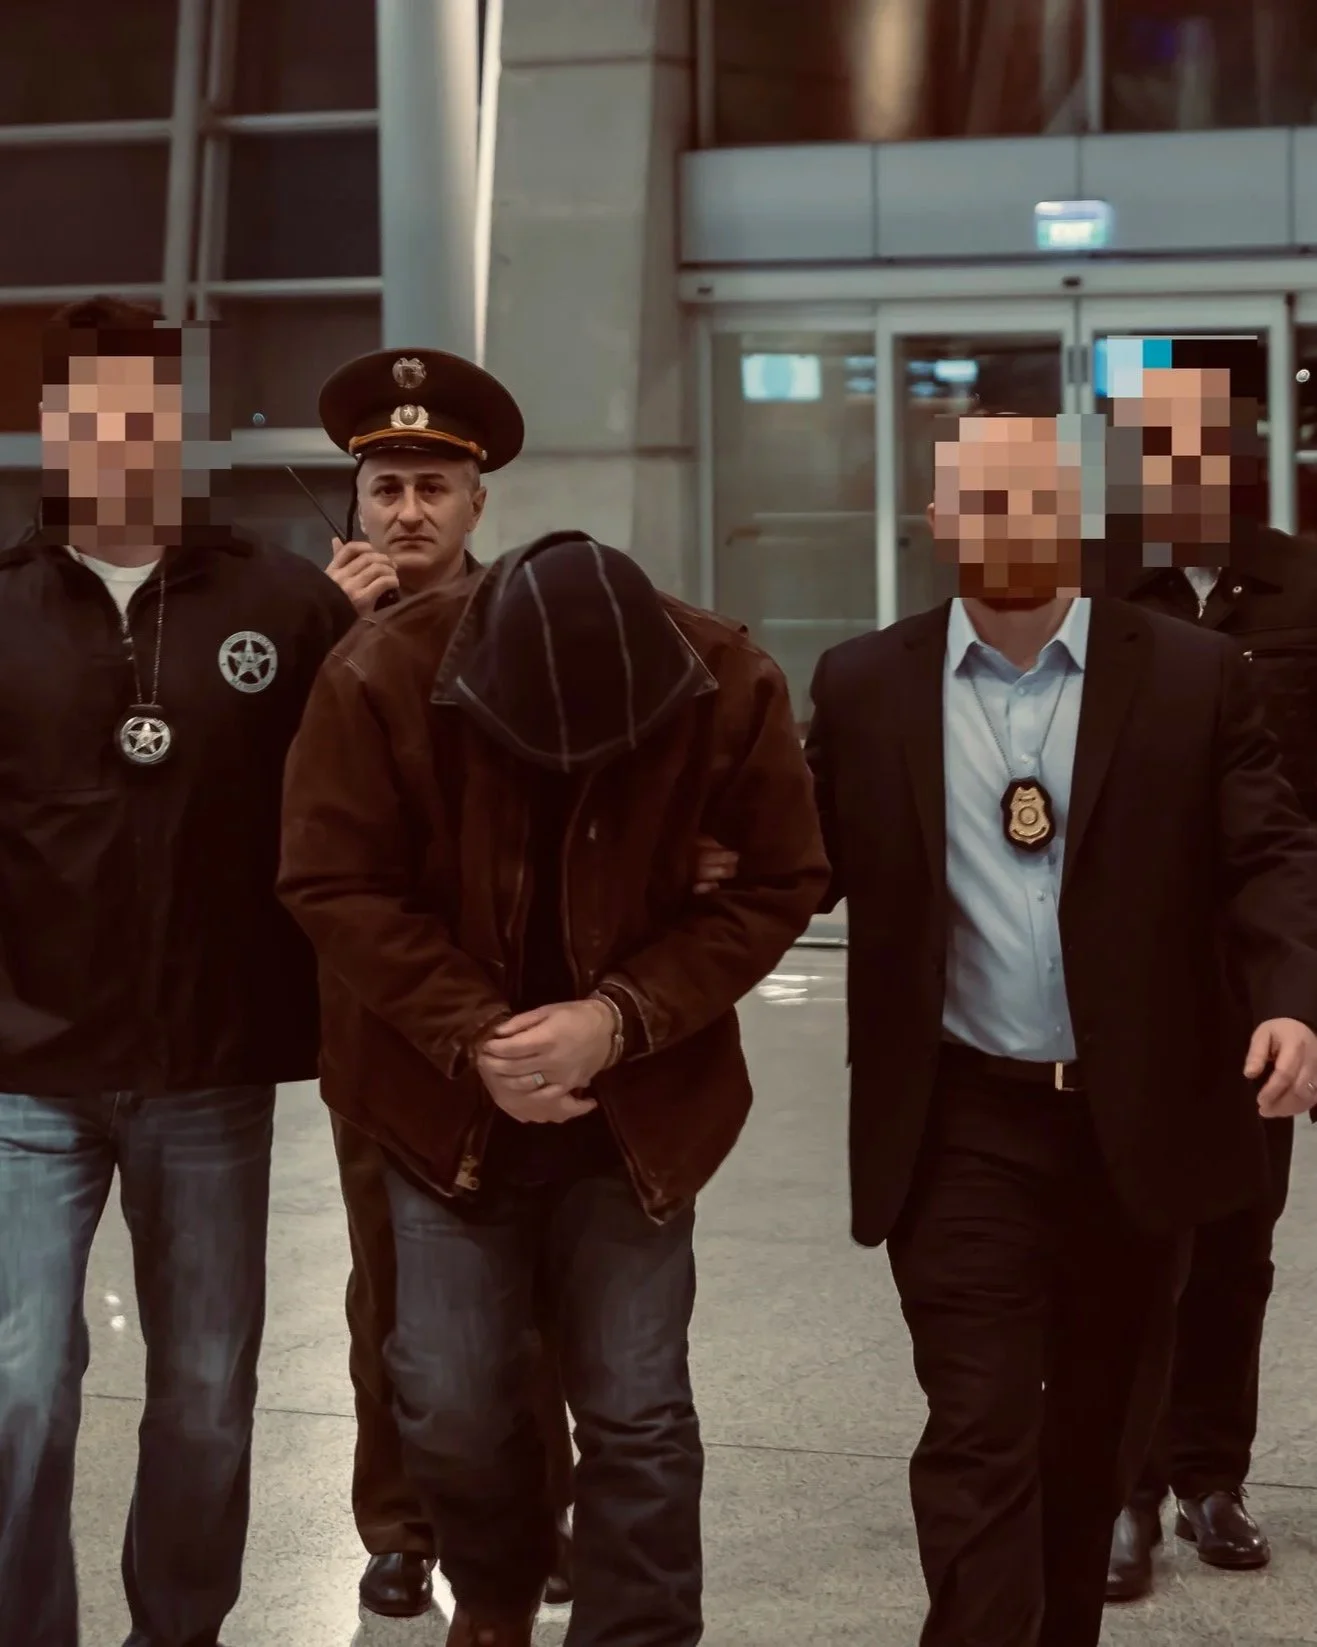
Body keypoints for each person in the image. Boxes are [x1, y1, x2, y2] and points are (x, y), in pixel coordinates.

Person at [804, 409, 1317, 1647]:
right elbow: (791, 863)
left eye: (1033, 498)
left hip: (1135, 1119)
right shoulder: (869, 685)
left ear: (1080, 517)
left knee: (1095, 1436)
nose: (1007, 523)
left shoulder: (1195, 676)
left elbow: (1268, 856)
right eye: (979, 499)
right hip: (962, 1112)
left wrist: (1292, 996)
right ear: (937, 522)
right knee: (981, 1426)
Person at [277, 530, 828, 1645]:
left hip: (635, 1114)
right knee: (446, 1392)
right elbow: (331, 879)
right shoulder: (380, 674)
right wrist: (479, 1035)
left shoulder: (727, 682)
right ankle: (494, 1598)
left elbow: (782, 879)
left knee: (638, 1408)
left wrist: (616, 1020)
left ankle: (639, 1631)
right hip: (440, 1108)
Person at [0, 297, 355, 1647]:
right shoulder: (7, 606)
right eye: (91, 412)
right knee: (19, 1383)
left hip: (210, 1068)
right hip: (25, 1072)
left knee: (206, 1386)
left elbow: (364, 806)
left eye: (146, 412)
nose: (118, 438)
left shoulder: (283, 601)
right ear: (53, 429)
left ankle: (178, 1631)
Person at [314, 346, 581, 1617]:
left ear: (480, 504)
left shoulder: (531, 617)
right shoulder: (317, 631)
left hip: (529, 1014)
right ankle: (403, 1521)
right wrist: (345, 639)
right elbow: (293, 833)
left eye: (432, 486)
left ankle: (540, 1515)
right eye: (385, 488)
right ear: (354, 504)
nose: (407, 511)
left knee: (538, 1286)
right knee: (396, 1292)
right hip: (383, 1026)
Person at [1101, 337, 1317, 1599]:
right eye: (1157, 448)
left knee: (1239, 1238)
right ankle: (1120, 1486)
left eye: (1208, 444)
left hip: (1256, 977)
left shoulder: (1303, 590)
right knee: (1130, 1236)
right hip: (1117, 978)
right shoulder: (1089, 588)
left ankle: (1209, 1474)